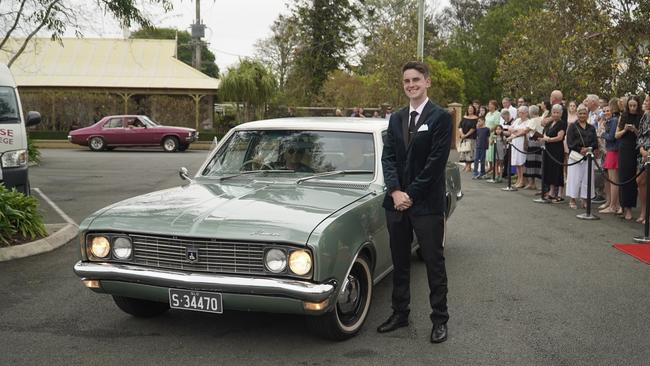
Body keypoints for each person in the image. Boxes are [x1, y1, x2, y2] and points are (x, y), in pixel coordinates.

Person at [380, 61, 451, 344]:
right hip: (396, 204)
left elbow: (436, 163)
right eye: (407, 81)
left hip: (426, 205)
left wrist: (411, 195)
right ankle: (400, 313)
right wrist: (396, 191)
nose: (411, 85)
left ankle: (440, 319)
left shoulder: (441, 117)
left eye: (416, 80)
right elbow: (388, 158)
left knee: (434, 262)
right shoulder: (396, 118)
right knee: (400, 261)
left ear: (427, 82)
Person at [566, 105, 599, 209]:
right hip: (575, 156)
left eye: (584, 113)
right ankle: (572, 199)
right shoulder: (572, 126)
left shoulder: (591, 128)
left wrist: (589, 149)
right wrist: (580, 149)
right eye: (580, 113)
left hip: (588, 155)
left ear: (587, 114)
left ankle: (585, 199)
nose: (582, 115)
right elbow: (569, 142)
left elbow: (595, 142)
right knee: (574, 178)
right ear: (577, 114)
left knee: (587, 179)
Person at [615, 95, 641, 221]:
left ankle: (630, 208)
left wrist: (635, 130)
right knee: (623, 177)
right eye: (630, 105)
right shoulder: (623, 116)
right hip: (624, 149)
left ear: (638, 105)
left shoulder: (642, 117)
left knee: (632, 179)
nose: (632, 108)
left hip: (636, 149)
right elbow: (617, 135)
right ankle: (623, 206)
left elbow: (643, 136)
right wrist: (625, 130)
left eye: (634, 105)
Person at [540, 104, 566, 202]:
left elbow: (560, 137)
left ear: (561, 114)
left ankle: (560, 193)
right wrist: (542, 138)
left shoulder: (562, 123)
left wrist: (549, 139)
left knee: (557, 170)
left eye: (557, 113)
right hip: (548, 149)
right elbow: (544, 133)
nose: (555, 114)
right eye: (554, 112)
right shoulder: (550, 123)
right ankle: (551, 192)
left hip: (557, 149)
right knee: (550, 170)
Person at [600, 100, 621, 214]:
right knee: (612, 180)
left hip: (613, 151)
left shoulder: (613, 120)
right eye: (604, 111)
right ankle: (614, 204)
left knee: (614, 181)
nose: (606, 112)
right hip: (611, 150)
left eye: (608, 110)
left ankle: (613, 206)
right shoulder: (611, 120)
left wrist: (602, 133)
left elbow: (611, 137)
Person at [635, 94, 650, 223]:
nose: (644, 102)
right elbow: (640, 134)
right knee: (640, 181)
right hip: (642, 152)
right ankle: (644, 211)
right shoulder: (645, 116)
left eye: (646, 100)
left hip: (649, 153)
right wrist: (641, 149)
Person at [506, 106, 529, 188]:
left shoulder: (528, 122)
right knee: (517, 162)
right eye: (519, 112)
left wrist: (515, 131)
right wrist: (516, 131)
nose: (521, 114)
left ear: (527, 113)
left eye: (522, 113)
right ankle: (519, 180)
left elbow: (524, 131)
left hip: (521, 143)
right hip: (515, 142)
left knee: (521, 162)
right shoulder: (517, 120)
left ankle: (522, 180)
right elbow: (510, 128)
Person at [524, 105, 543, 190]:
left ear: (531, 112)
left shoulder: (533, 120)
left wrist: (515, 133)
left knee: (531, 163)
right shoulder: (542, 119)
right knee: (538, 163)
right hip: (540, 142)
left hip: (533, 142)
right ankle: (533, 183)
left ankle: (532, 183)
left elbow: (526, 130)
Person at [458, 105, 478, 172]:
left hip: (471, 137)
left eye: (471, 109)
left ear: (474, 110)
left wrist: (466, 135)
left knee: (470, 152)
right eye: (469, 108)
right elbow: (460, 126)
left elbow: (473, 128)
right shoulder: (464, 117)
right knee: (464, 151)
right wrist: (462, 134)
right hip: (463, 137)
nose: (470, 110)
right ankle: (466, 165)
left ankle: (469, 166)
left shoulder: (476, 118)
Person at [485, 100, 501, 173]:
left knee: (492, 151)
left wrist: (490, 130)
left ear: (494, 106)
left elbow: (497, 124)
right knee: (488, 151)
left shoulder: (497, 114)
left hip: (493, 133)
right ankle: (490, 167)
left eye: (491, 104)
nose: (489, 106)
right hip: (486, 134)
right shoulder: (488, 114)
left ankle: (495, 168)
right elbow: (485, 123)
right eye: (488, 104)